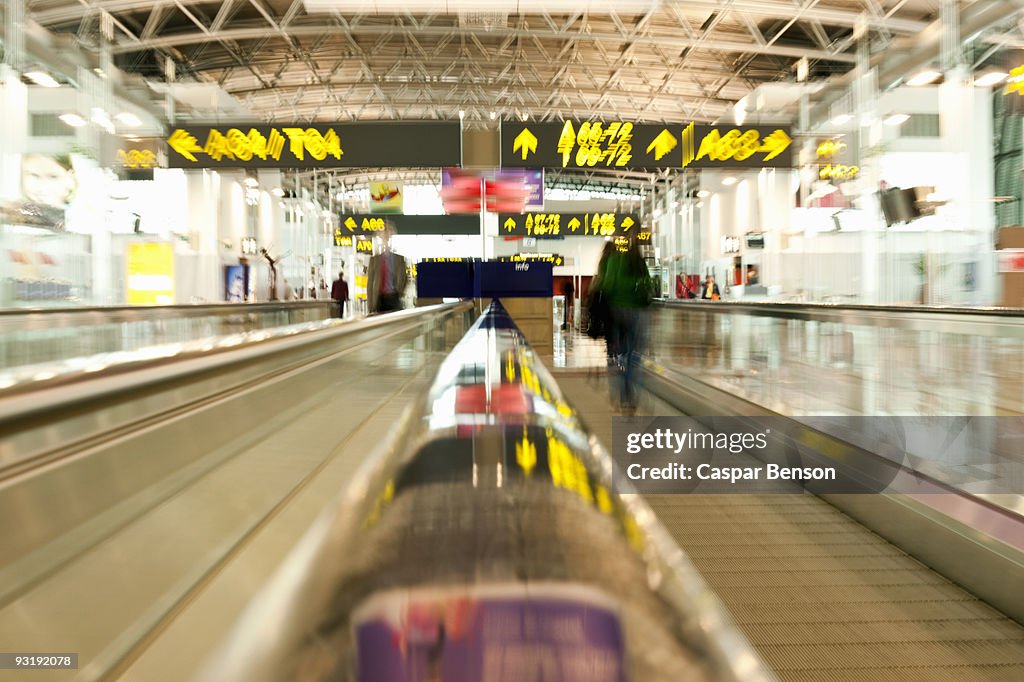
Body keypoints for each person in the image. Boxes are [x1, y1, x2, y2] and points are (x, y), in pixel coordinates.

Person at [595, 236, 652, 412]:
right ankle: (631, 393)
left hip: (616, 311)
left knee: (618, 352)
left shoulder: (614, 260)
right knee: (635, 354)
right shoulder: (639, 262)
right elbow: (648, 284)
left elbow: (607, 285)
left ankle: (620, 394)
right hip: (638, 312)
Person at [367, 223, 408, 313]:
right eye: (384, 235)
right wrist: (370, 306)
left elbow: (404, 278)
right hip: (379, 299)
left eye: (388, 234)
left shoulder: (399, 259)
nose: (386, 238)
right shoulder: (374, 260)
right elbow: (370, 283)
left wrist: (399, 292)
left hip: (393, 297)